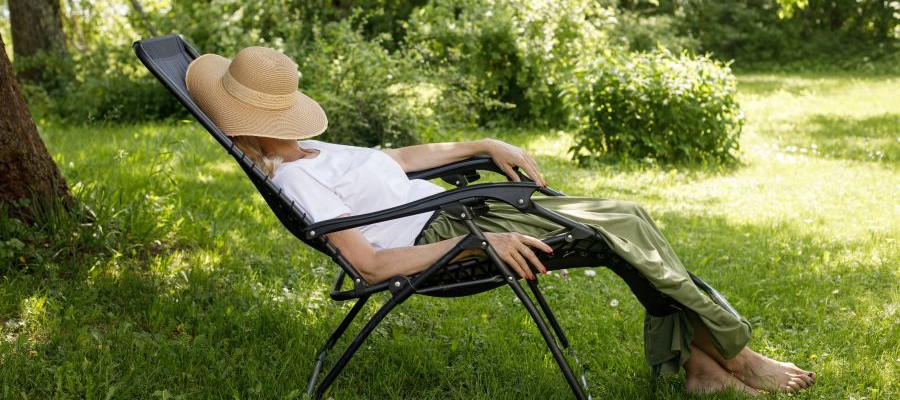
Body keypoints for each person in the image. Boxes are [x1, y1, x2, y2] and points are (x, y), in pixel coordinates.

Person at [185, 46, 817, 396]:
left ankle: (706, 363)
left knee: (627, 216)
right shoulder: (297, 177)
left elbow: (399, 161)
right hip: (444, 233)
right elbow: (369, 263)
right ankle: (727, 355)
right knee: (615, 232)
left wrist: (481, 145)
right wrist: (474, 242)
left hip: (456, 210)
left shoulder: (311, 151)